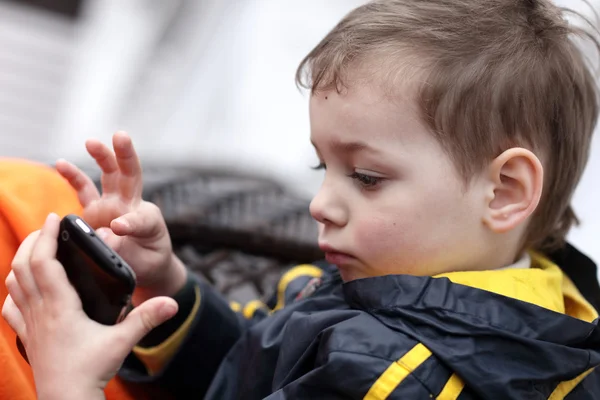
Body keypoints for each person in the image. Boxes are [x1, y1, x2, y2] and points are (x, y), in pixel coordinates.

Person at [4, 0, 600, 398]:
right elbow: (251, 365)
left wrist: (69, 382)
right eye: (323, 165)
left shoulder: (392, 378)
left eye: (366, 176)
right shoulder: (429, 287)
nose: (320, 202)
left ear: (505, 191)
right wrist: (167, 286)